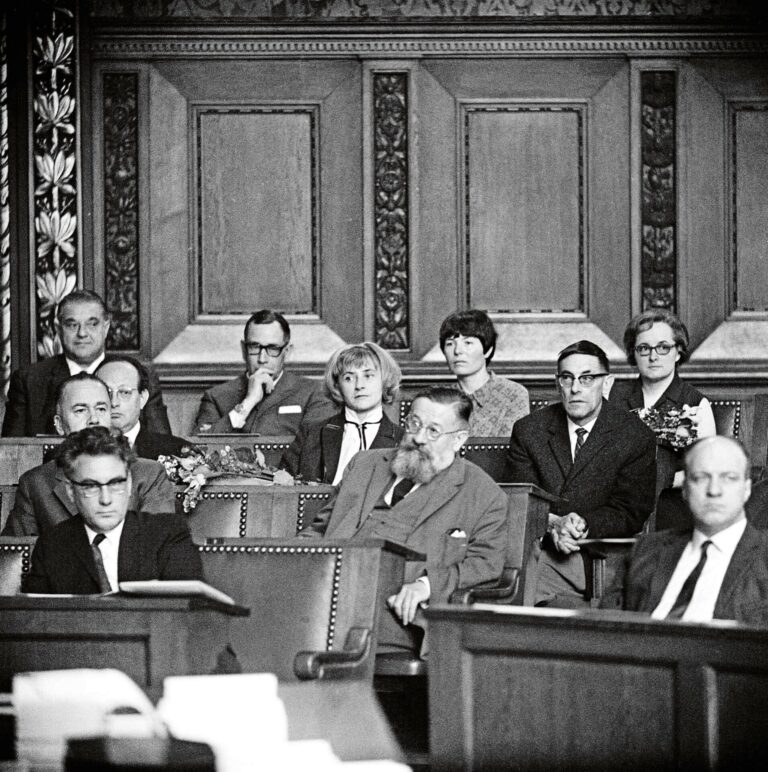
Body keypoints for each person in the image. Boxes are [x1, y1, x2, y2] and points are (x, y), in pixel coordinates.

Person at [305, 386, 507, 653]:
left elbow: (486, 564)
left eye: (433, 431)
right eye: (414, 424)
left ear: (459, 439)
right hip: (326, 588)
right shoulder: (365, 464)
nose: (419, 438)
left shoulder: (483, 493)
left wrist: (426, 586)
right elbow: (319, 530)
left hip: (394, 608)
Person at [507, 340, 657, 607]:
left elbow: (630, 511)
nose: (575, 388)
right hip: (537, 547)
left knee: (518, 585)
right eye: (567, 378)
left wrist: (580, 525)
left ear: (607, 383)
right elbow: (520, 501)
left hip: (596, 555)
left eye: (587, 378)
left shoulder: (634, 435)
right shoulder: (530, 431)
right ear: (558, 384)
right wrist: (553, 524)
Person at [603, 436, 768, 624]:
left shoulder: (763, 557)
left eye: (729, 478)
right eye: (700, 478)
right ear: (685, 489)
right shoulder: (646, 551)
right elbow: (604, 631)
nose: (714, 490)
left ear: (746, 489)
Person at [23, 427, 201, 594]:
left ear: (129, 484)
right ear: (71, 491)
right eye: (91, 486)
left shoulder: (167, 535)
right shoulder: (51, 546)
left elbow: (183, 610)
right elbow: (38, 614)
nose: (106, 499)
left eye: (115, 483)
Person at [1, 374, 176, 536]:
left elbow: (158, 544)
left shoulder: (149, 474)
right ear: (59, 425)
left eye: (101, 409)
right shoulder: (35, 483)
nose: (94, 419)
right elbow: (17, 553)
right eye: (80, 410)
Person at [2, 289, 171, 437]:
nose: (82, 333)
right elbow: (13, 451)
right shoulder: (30, 380)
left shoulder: (135, 374)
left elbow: (161, 445)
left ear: (106, 327)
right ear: (58, 328)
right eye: (72, 325)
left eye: (92, 324)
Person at [610, 309, 716, 488]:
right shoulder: (613, 397)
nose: (653, 357)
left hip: (670, 497)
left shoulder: (696, 404)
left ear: (678, 352)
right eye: (644, 348)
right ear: (633, 353)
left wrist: (657, 481)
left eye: (663, 347)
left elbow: (706, 469)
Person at [195, 309, 335, 435]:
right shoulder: (216, 397)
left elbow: (320, 445)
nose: (262, 359)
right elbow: (198, 449)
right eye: (254, 347)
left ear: (287, 352)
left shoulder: (312, 393)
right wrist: (248, 402)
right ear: (244, 350)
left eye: (273, 349)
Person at [280, 342, 403, 484]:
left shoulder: (403, 440)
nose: (359, 385)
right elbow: (283, 488)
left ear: (385, 380)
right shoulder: (311, 433)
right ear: (337, 385)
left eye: (368, 376)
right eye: (349, 378)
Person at [439, 309, 529, 436]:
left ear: (488, 350)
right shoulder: (438, 398)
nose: (457, 351)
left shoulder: (513, 394)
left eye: (468, 343)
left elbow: (510, 445)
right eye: (450, 344)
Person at [96, 356, 189, 460]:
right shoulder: (81, 450)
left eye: (125, 392)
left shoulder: (178, 452)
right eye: (106, 392)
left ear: (142, 398)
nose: (114, 403)